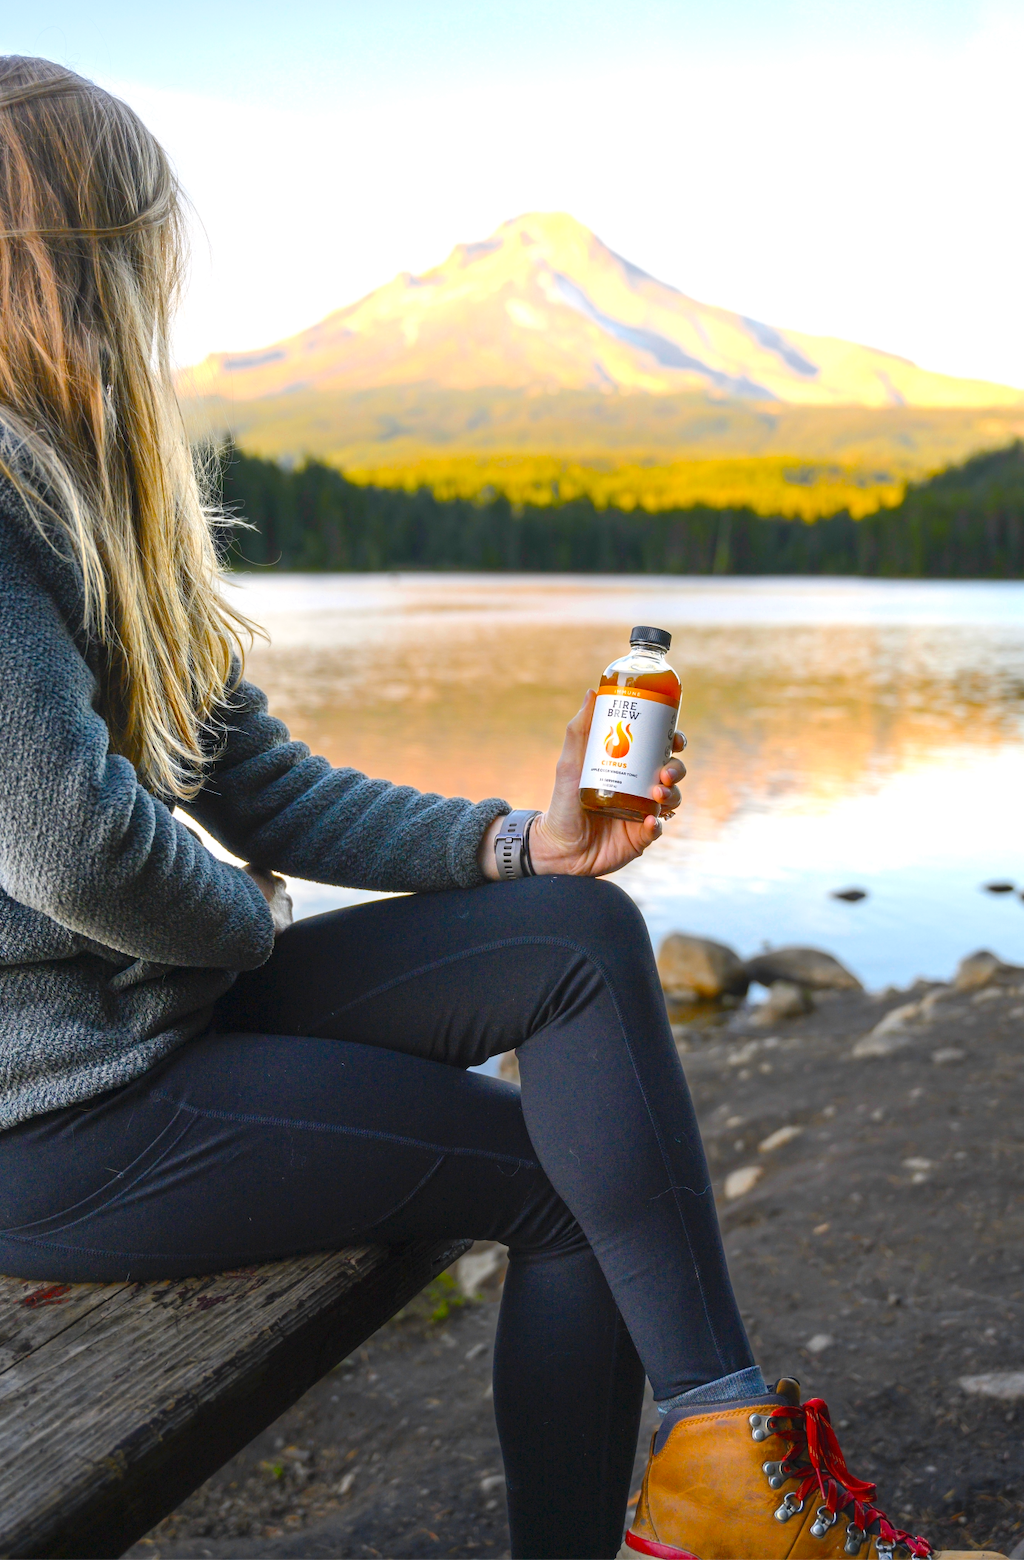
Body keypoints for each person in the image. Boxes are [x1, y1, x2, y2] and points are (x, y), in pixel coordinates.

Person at [0, 56, 930, 1560]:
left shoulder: (95, 483)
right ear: (83, 252)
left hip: (155, 1027)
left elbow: (252, 776)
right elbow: (78, 849)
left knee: (571, 929)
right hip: (54, 1116)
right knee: (558, 1191)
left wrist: (513, 845)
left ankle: (724, 1449)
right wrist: (240, 925)